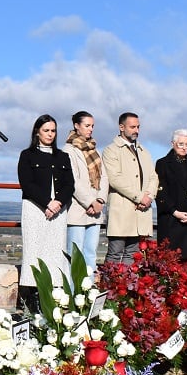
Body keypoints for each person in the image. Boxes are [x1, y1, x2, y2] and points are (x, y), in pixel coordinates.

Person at [18, 115, 74, 303]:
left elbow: (69, 184)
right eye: (46, 130)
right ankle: (33, 296)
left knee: (56, 251)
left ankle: (55, 294)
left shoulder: (63, 156)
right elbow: (27, 183)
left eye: (53, 130)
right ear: (37, 132)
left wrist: (57, 202)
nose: (50, 134)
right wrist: (47, 203)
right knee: (35, 250)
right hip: (35, 209)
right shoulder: (27, 155)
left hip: (58, 210)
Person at [102, 112, 158, 264]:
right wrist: (140, 197)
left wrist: (149, 197)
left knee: (133, 254)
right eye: (132, 127)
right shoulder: (111, 150)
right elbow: (115, 179)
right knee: (115, 252)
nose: (136, 130)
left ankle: (126, 287)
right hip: (122, 211)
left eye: (138, 127)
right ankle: (108, 287)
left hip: (141, 213)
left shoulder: (144, 151)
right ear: (121, 127)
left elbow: (153, 177)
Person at [63, 111, 107, 274]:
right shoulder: (68, 150)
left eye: (92, 126)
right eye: (87, 125)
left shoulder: (95, 150)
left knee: (90, 254)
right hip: (77, 209)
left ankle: (88, 295)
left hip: (96, 210)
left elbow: (104, 177)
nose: (90, 129)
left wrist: (100, 200)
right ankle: (73, 294)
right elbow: (73, 180)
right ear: (76, 126)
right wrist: (90, 202)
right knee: (75, 254)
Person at [154, 129, 187, 272]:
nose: (184, 148)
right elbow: (160, 192)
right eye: (181, 144)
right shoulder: (162, 163)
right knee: (168, 266)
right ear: (173, 144)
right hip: (171, 220)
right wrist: (175, 212)